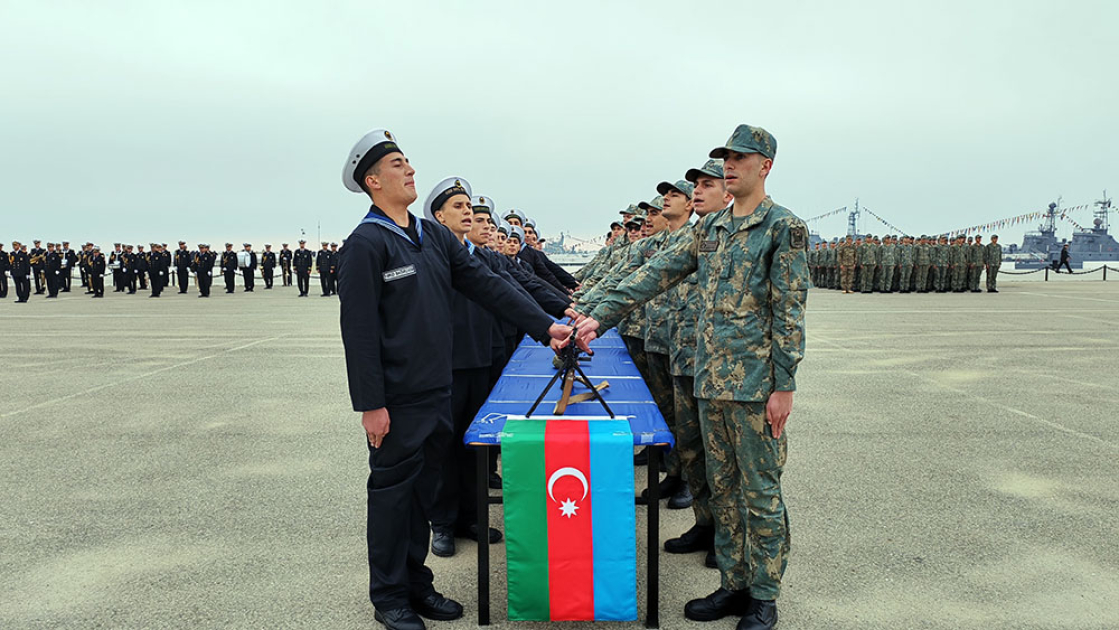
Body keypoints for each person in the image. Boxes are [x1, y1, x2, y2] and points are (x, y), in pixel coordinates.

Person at [335, 129, 571, 630]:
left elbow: (488, 284)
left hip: (437, 388)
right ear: (373, 181)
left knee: (424, 492)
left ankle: (417, 584)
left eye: (408, 161)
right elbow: (357, 332)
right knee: (393, 496)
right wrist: (370, 404)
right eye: (398, 164)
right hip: (397, 400)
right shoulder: (366, 244)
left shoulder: (431, 235)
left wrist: (546, 326)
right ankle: (390, 597)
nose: (410, 170)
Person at [573, 125, 806, 630]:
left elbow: (790, 311)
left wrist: (784, 385)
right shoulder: (711, 229)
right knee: (721, 488)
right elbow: (654, 273)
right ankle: (733, 584)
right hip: (708, 380)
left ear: (764, 166)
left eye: (740, 158)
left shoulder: (783, 227)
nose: (729, 165)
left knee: (759, 492)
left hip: (755, 388)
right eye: (726, 157)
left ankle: (764, 595)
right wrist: (599, 316)